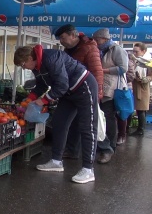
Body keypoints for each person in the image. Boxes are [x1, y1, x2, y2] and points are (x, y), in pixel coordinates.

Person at [14, 45, 98, 184]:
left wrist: (44, 100)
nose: (24, 68)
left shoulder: (52, 58)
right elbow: (41, 84)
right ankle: (56, 161)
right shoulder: (37, 66)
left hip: (84, 87)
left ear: (30, 58)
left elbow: (62, 85)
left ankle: (88, 169)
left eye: (23, 64)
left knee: (87, 127)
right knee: (59, 123)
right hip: (67, 93)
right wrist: (31, 98)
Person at [54, 24, 104, 159]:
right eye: (60, 38)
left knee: (89, 124)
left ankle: (105, 150)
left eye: (63, 37)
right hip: (71, 91)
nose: (61, 41)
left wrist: (97, 94)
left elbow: (97, 72)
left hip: (86, 90)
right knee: (73, 123)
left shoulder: (89, 48)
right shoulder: (68, 49)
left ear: (73, 35)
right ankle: (72, 151)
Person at [92, 28, 128, 163]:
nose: (95, 42)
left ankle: (110, 147)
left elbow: (123, 68)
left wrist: (103, 70)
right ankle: (103, 145)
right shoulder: (99, 50)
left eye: (97, 40)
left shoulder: (116, 49)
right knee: (100, 117)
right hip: (100, 87)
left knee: (109, 117)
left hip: (112, 89)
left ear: (105, 39)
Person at [130, 42, 152, 136]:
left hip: (143, 87)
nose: (134, 53)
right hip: (135, 85)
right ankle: (140, 128)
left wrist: (145, 79)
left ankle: (140, 129)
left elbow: (150, 75)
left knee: (141, 108)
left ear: (143, 51)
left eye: (137, 51)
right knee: (140, 108)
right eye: (134, 51)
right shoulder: (135, 60)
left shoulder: (148, 61)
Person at [116, 53, 136, 144]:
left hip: (124, 89)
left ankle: (122, 134)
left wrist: (119, 78)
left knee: (122, 111)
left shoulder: (128, 62)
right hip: (112, 88)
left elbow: (131, 76)